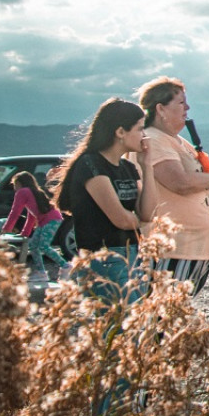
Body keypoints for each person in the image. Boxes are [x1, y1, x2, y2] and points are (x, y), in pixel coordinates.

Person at [51, 98, 158, 302]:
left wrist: (147, 166)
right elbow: (121, 219)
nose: (144, 136)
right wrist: (136, 220)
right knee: (123, 326)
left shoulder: (128, 168)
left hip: (133, 254)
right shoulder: (91, 165)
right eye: (139, 129)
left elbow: (148, 213)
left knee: (136, 327)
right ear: (120, 132)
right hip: (104, 257)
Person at [135, 77, 209, 295]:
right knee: (163, 317)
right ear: (160, 108)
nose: (187, 108)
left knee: (176, 316)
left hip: (194, 248)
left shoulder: (178, 141)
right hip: (173, 248)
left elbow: (196, 179)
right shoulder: (154, 139)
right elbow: (179, 182)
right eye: (180, 103)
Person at [2, 171, 70, 282]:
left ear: (19, 183)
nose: (14, 188)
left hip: (51, 220)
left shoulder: (22, 192)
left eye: (15, 184)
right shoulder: (33, 191)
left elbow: (15, 212)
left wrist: (6, 228)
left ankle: (65, 266)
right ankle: (41, 272)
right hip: (46, 220)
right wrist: (25, 232)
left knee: (44, 246)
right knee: (33, 245)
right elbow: (31, 215)